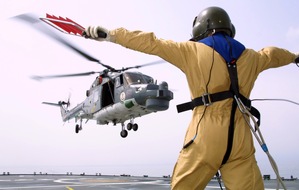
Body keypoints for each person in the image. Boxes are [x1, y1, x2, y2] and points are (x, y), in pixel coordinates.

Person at [84, 6, 298, 190]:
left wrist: (112, 34)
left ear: (201, 28)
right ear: (229, 29)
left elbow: (152, 43)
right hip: (241, 136)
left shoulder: (191, 50)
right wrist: (295, 57)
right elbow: (272, 54)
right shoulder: (252, 57)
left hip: (205, 134)